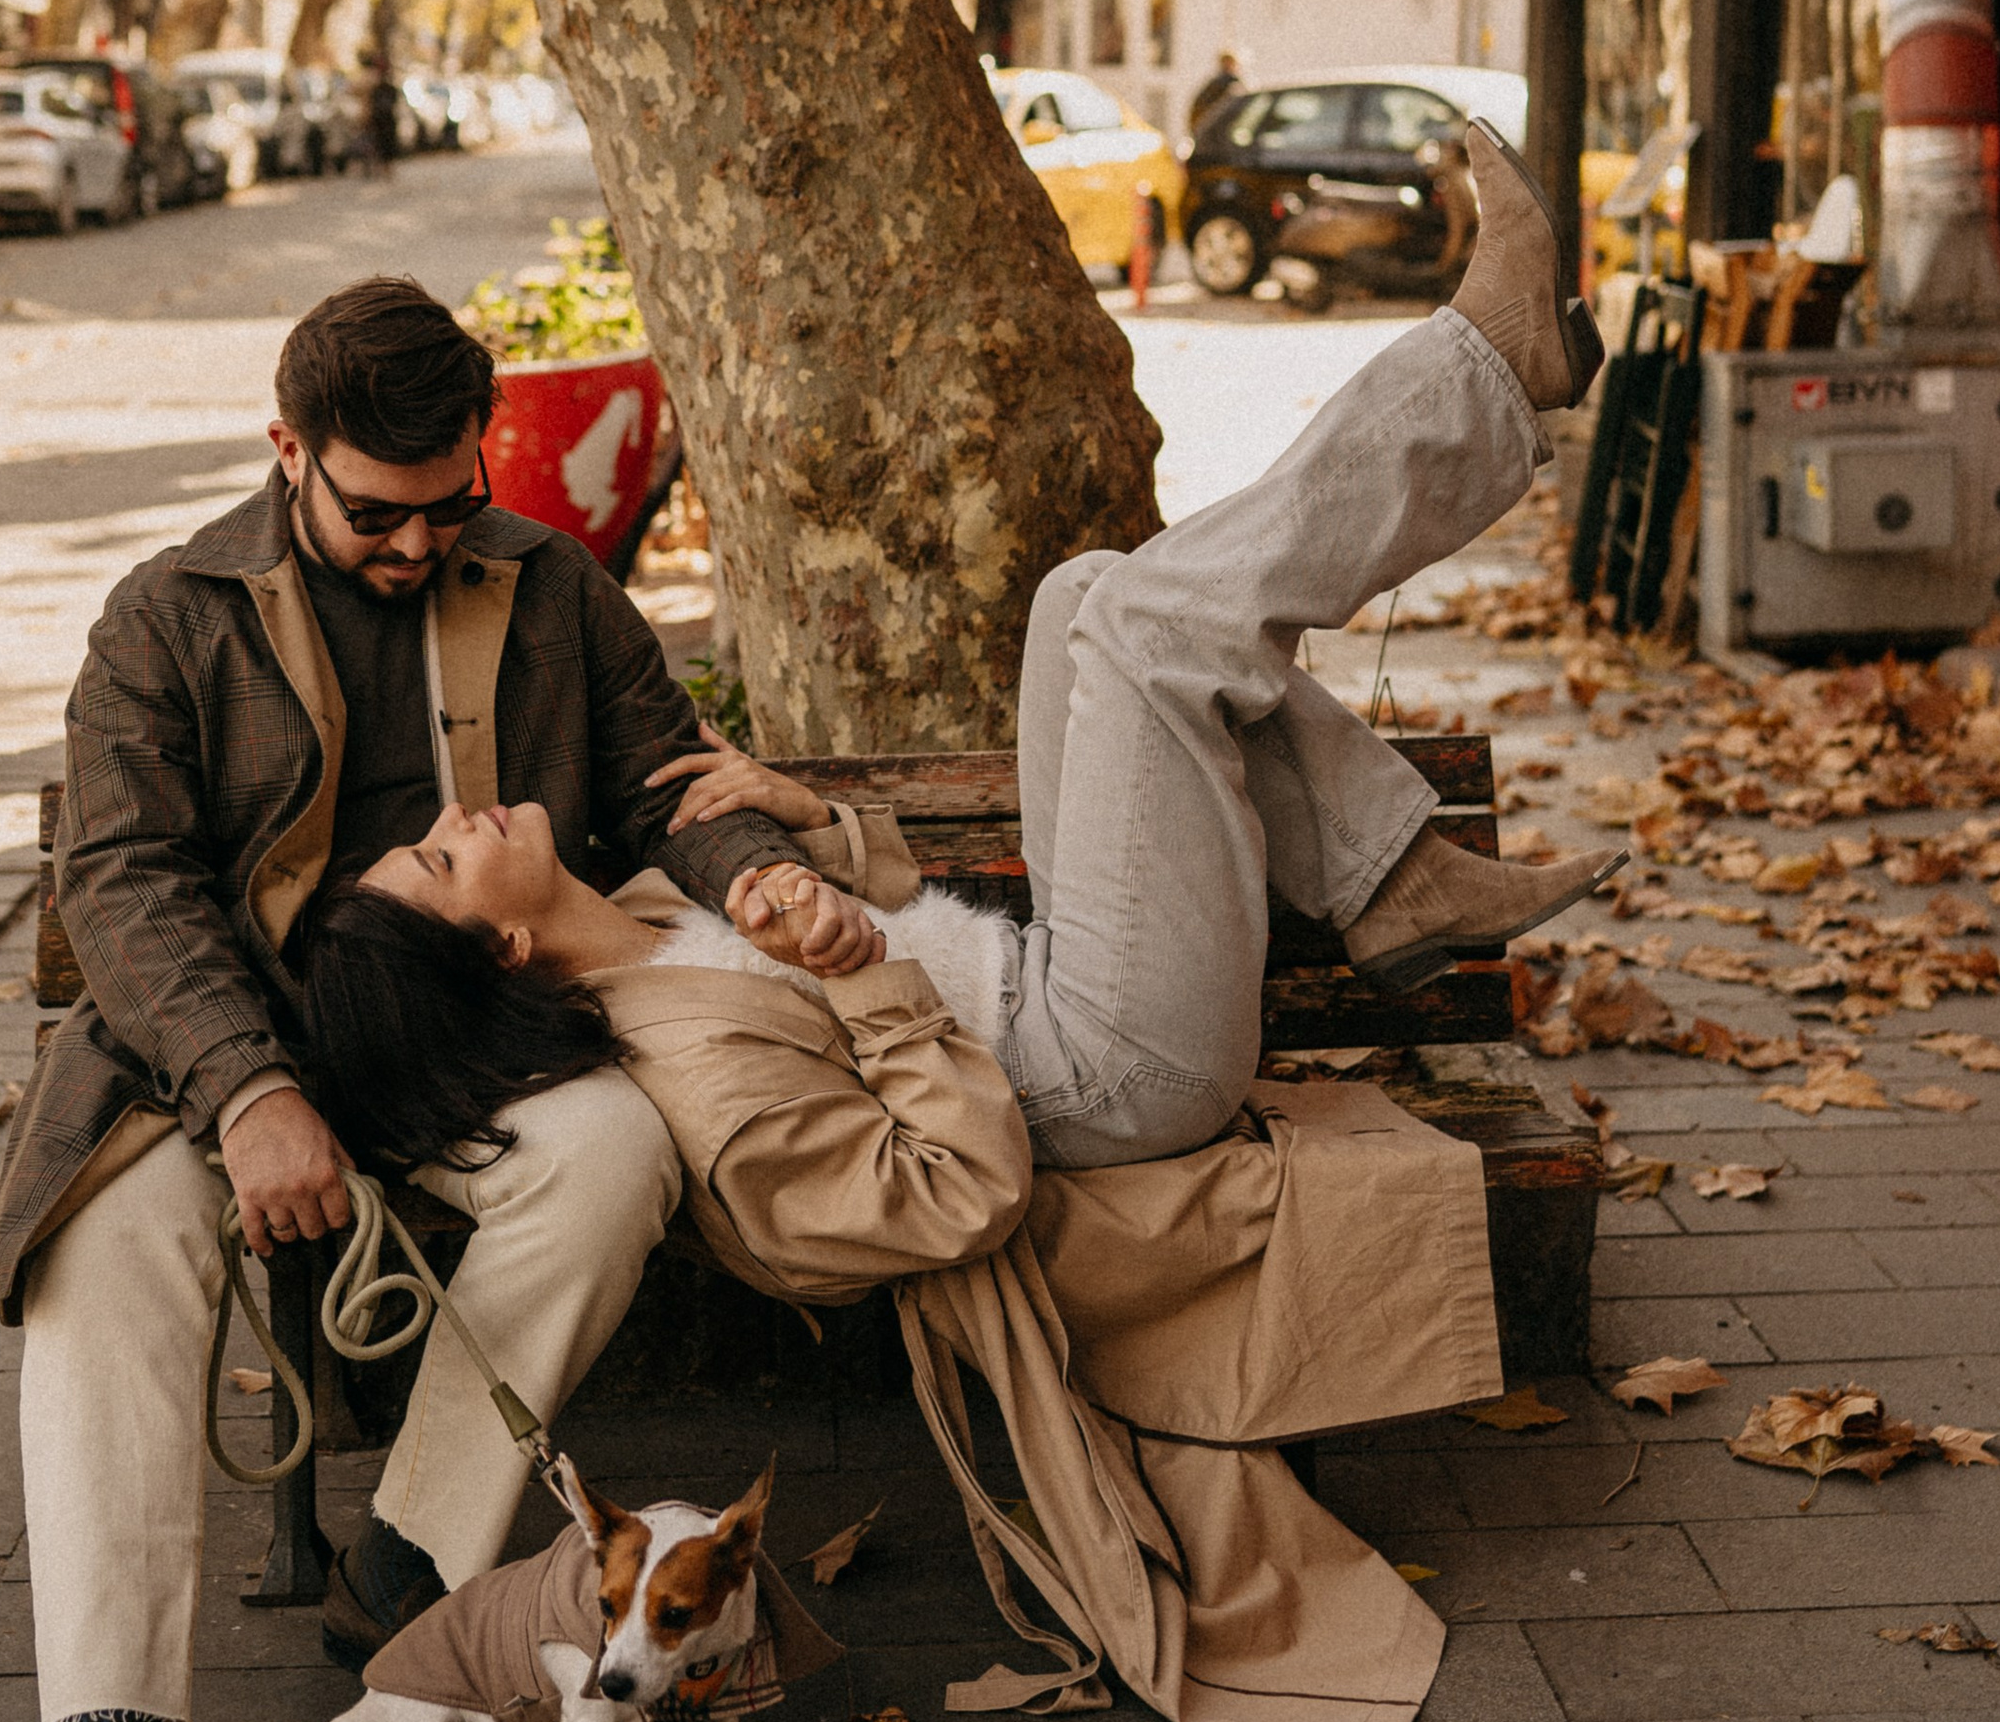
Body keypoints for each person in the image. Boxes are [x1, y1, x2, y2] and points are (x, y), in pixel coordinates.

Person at [0, 274, 859, 1722]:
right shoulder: (165, 617)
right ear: (287, 447)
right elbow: (130, 887)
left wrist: (757, 871)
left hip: (474, 1043)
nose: (421, 537)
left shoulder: (547, 586)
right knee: (97, 1257)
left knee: (615, 1156)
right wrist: (251, 1087)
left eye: (453, 496)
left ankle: (403, 1574)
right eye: (382, 510)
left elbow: (666, 776)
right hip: (220, 1054)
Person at [303, 125, 1612, 1206]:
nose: (448, 818)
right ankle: (1487, 369)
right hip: (1106, 1067)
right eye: (437, 859)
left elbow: (898, 919)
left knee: (1083, 592)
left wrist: (811, 829)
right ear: (505, 943)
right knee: (1150, 629)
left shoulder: (647, 906)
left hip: (1062, 987)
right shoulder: (677, 1052)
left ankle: (1392, 877)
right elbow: (949, 1187)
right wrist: (855, 964)